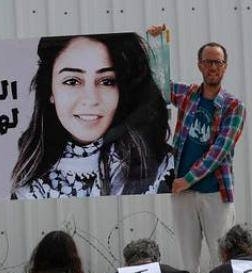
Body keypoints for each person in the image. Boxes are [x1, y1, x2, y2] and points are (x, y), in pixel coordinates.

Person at [11, 33, 173, 199]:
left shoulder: (161, 169)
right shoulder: (25, 185)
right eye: (72, 81)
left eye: (107, 81)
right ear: (50, 90)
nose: (90, 99)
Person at [147, 24, 246, 273]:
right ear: (199, 65)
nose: (213, 67)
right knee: (188, 260)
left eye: (218, 62)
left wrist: (186, 180)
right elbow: (157, 83)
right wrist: (158, 44)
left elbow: (219, 151)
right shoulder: (189, 95)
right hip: (183, 193)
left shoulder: (234, 106)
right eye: (208, 62)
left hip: (214, 191)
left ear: (225, 66)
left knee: (220, 257)